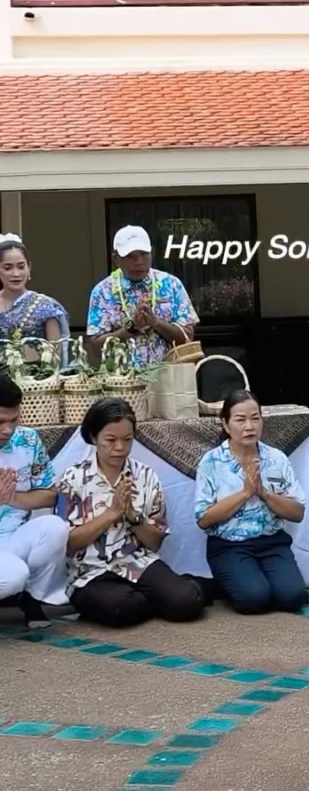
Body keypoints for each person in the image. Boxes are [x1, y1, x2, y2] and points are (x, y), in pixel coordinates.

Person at [56, 397, 204, 627]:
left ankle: (172, 591)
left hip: (137, 562)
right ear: (94, 437)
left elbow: (155, 543)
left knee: (186, 603)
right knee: (121, 608)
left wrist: (133, 516)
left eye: (127, 440)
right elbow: (67, 544)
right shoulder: (72, 479)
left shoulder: (145, 476)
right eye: (111, 440)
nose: (120, 448)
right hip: (90, 571)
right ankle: (148, 598)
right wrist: (110, 514)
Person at [195, 390, 309, 614]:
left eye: (255, 418)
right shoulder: (211, 462)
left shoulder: (276, 459)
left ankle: (259, 579)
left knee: (293, 597)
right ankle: (232, 582)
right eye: (240, 420)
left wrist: (264, 494)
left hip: (272, 542)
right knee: (254, 600)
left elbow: (297, 512)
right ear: (226, 425)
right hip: (229, 545)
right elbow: (203, 519)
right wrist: (245, 493)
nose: (249, 426)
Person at [0, 372, 72, 628]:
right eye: (0, 422)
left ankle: (32, 598)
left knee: (55, 527)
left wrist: (11, 498)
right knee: (13, 576)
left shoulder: (27, 440)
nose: (8, 429)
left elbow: (50, 494)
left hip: (12, 535)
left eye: (14, 420)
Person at [86, 225, 198, 369]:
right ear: (115, 258)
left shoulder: (171, 284)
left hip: (170, 379)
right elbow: (95, 348)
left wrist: (156, 323)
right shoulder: (102, 292)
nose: (138, 261)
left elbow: (187, 338)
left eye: (144, 254)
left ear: (152, 253)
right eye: (130, 256)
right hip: (123, 384)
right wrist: (131, 329)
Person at [0, 234, 70, 361]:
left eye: (21, 267)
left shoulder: (46, 307)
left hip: (37, 378)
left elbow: (55, 357)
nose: (16, 274)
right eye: (8, 268)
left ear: (29, 267)